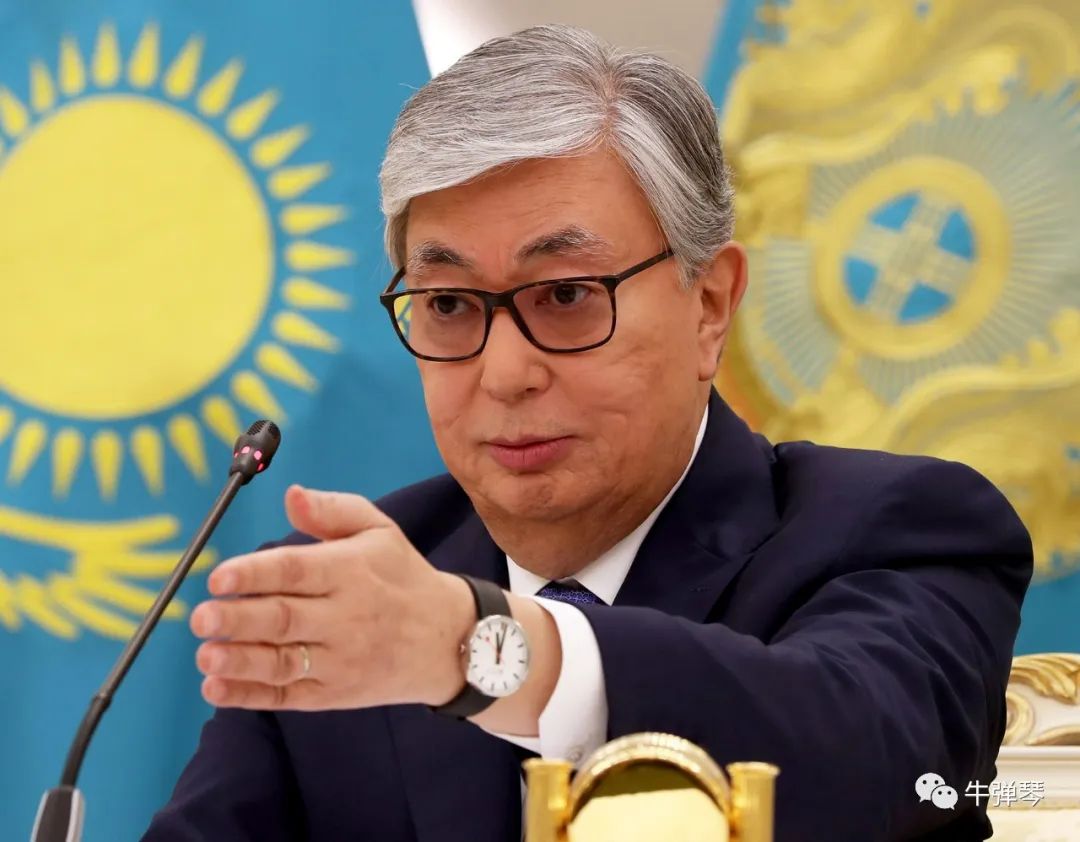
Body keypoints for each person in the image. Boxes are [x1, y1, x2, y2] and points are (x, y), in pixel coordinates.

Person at [143, 24, 1031, 842]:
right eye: (448, 305)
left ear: (710, 305)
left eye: (566, 295)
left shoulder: (899, 529)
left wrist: (479, 648)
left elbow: (876, 772)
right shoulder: (362, 596)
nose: (504, 372)